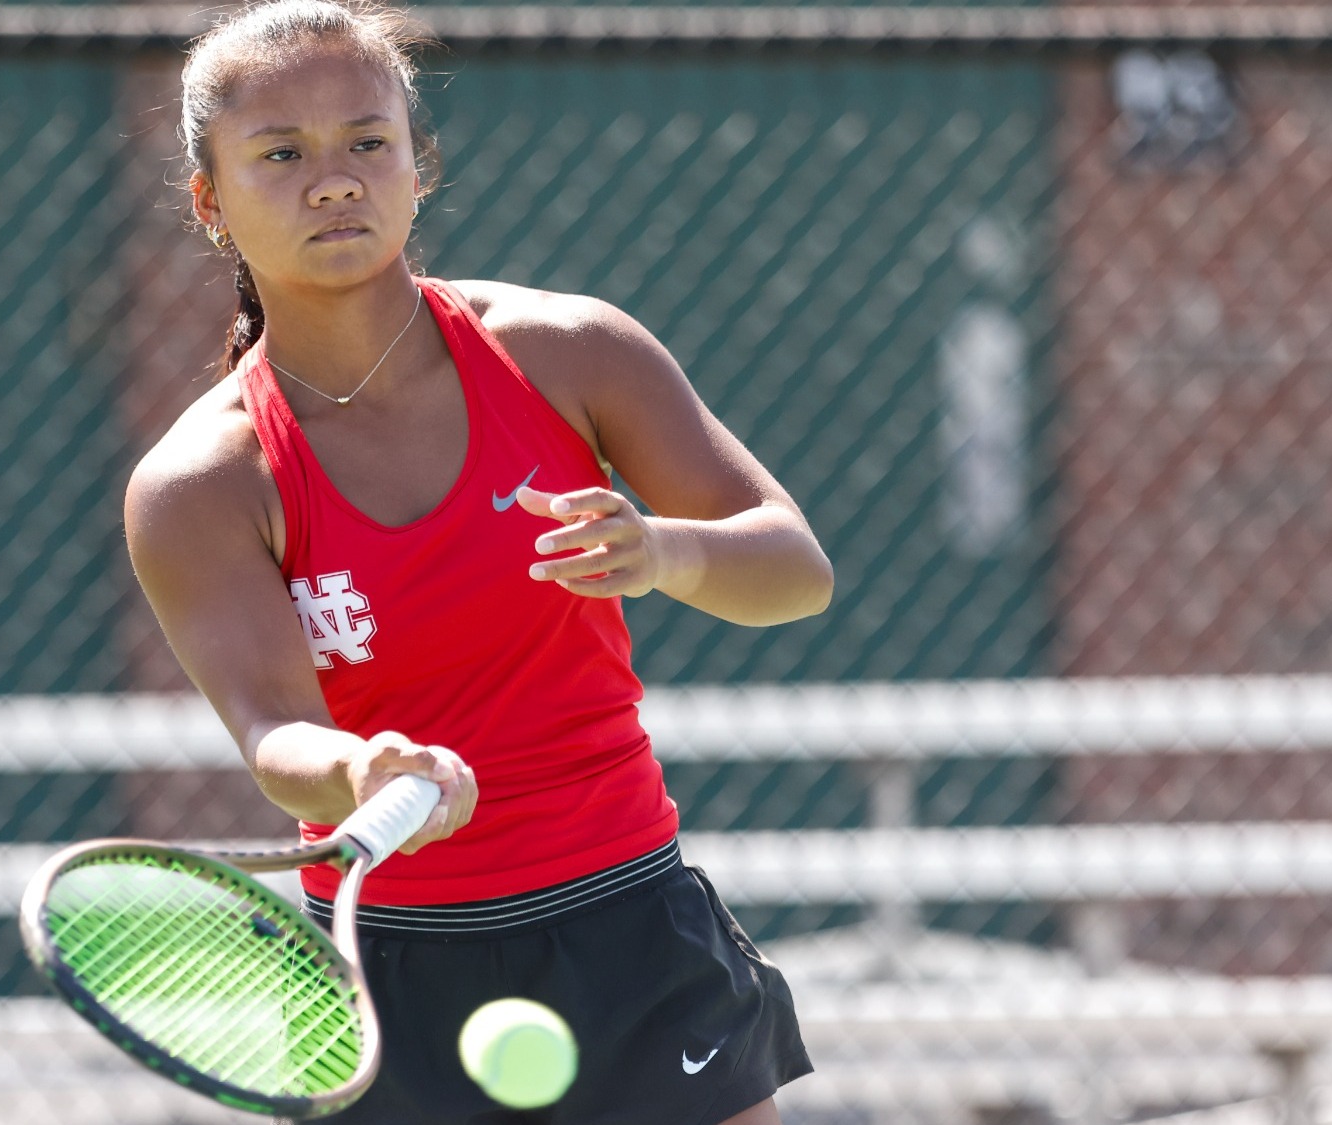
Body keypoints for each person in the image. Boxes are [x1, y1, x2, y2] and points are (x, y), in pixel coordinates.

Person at [124, 2, 835, 1121]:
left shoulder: (572, 351)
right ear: (209, 203)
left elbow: (793, 568)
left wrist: (662, 553)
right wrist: (363, 771)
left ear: (420, 166)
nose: (334, 180)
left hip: (629, 930)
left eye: (368, 140)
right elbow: (274, 733)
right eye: (280, 154)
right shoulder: (200, 484)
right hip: (379, 975)